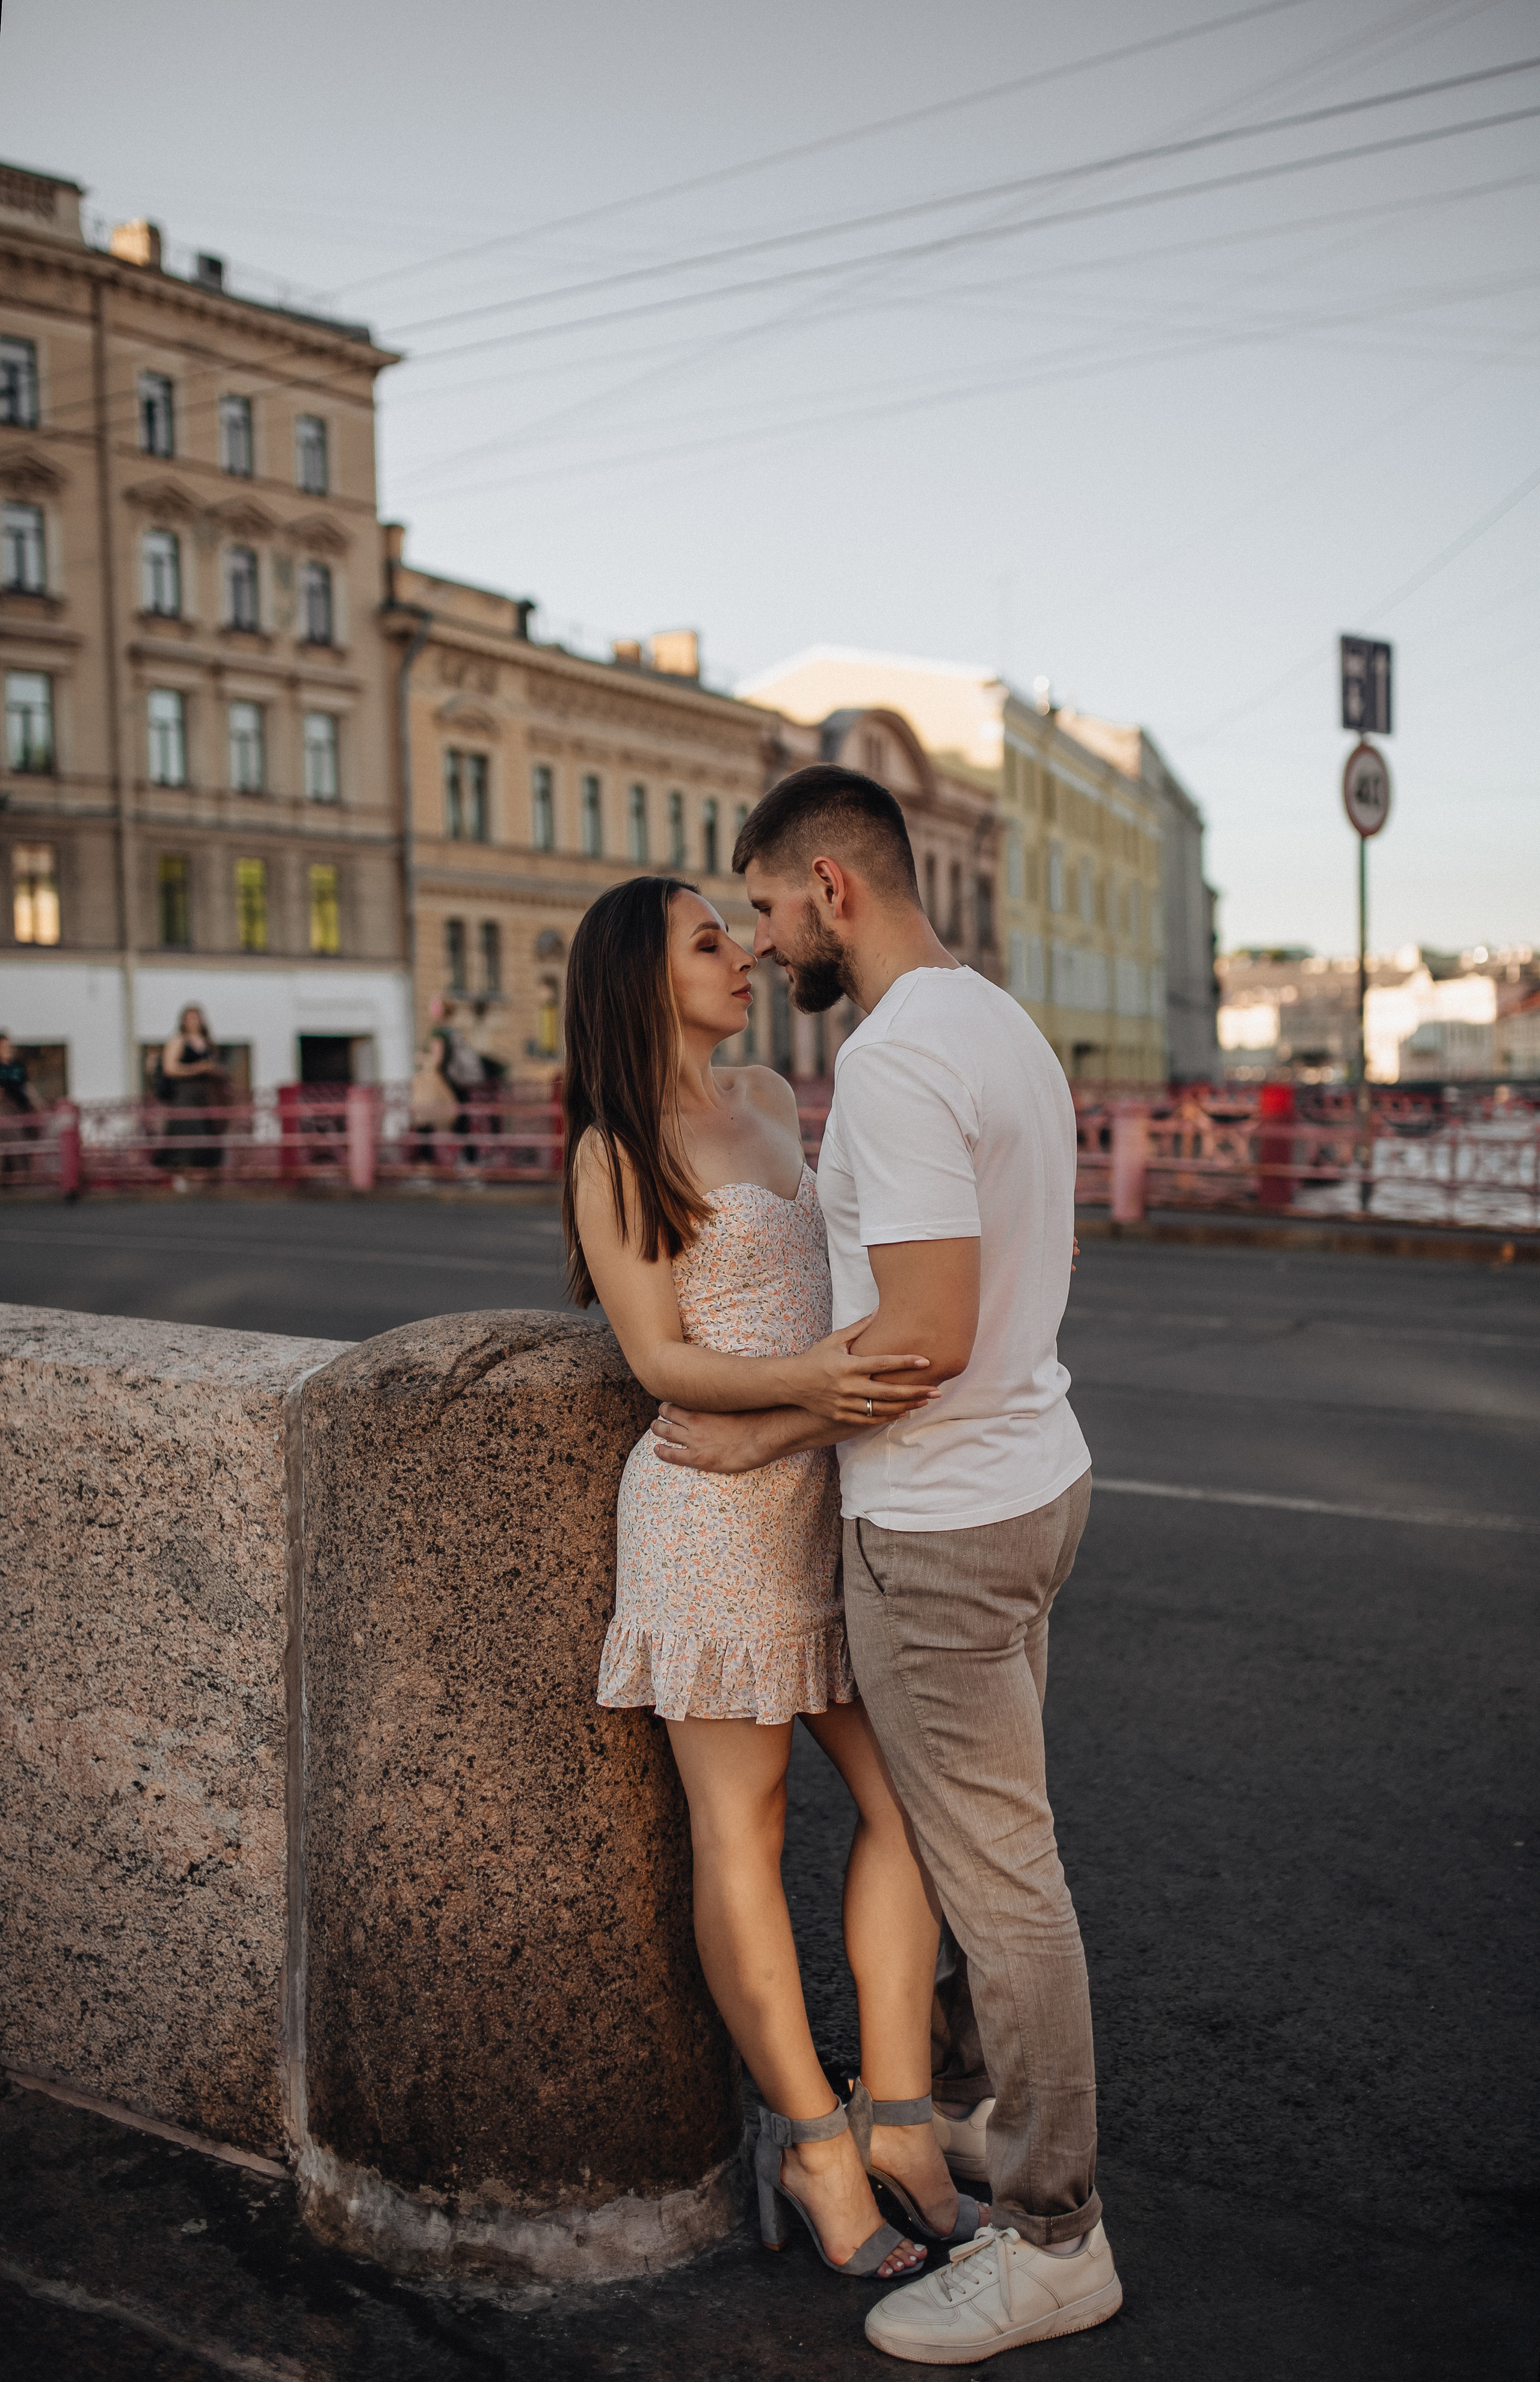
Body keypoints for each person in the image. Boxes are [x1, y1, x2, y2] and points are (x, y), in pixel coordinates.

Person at [648, 767, 1121, 2363]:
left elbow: (921, 1334)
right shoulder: (995, 1020)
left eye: (770, 909)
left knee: (1002, 1876)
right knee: (984, 1848)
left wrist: (761, 1432)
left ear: (834, 889)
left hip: (942, 1519)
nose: (766, 943)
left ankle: (1058, 2236)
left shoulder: (903, 1057)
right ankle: (985, 2121)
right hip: (1033, 1477)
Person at [562, 873, 990, 2286]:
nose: (744, 952)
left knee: (910, 1806)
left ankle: (901, 2112)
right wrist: (815, 1384)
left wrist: (804, 1412)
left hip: (809, 1492)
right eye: (708, 938)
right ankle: (810, 2142)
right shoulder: (614, 1145)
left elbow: (808, 1333)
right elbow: (660, 1365)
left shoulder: (763, 1088)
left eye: (739, 931)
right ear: (640, 974)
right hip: (705, 1524)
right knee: (738, 1833)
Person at [157, 1005, 227, 1181]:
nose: (194, 1022)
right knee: (189, 1136)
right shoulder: (179, 1041)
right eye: (190, 1019)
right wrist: (198, 1069)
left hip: (206, 1098)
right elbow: (170, 1069)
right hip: (186, 1096)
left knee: (209, 1138)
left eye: (197, 1018)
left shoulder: (207, 1043)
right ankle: (182, 1178)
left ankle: (202, 1180)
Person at [0, 1032, 40, 1178]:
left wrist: (37, 1105)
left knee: (20, 1142)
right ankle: (20, 1176)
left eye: (8, 1046)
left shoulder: (18, 1066)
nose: (7, 1049)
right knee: (14, 1141)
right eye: (3, 1046)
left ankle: (21, 1176)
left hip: (21, 1110)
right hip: (5, 1110)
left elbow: (27, 1087)